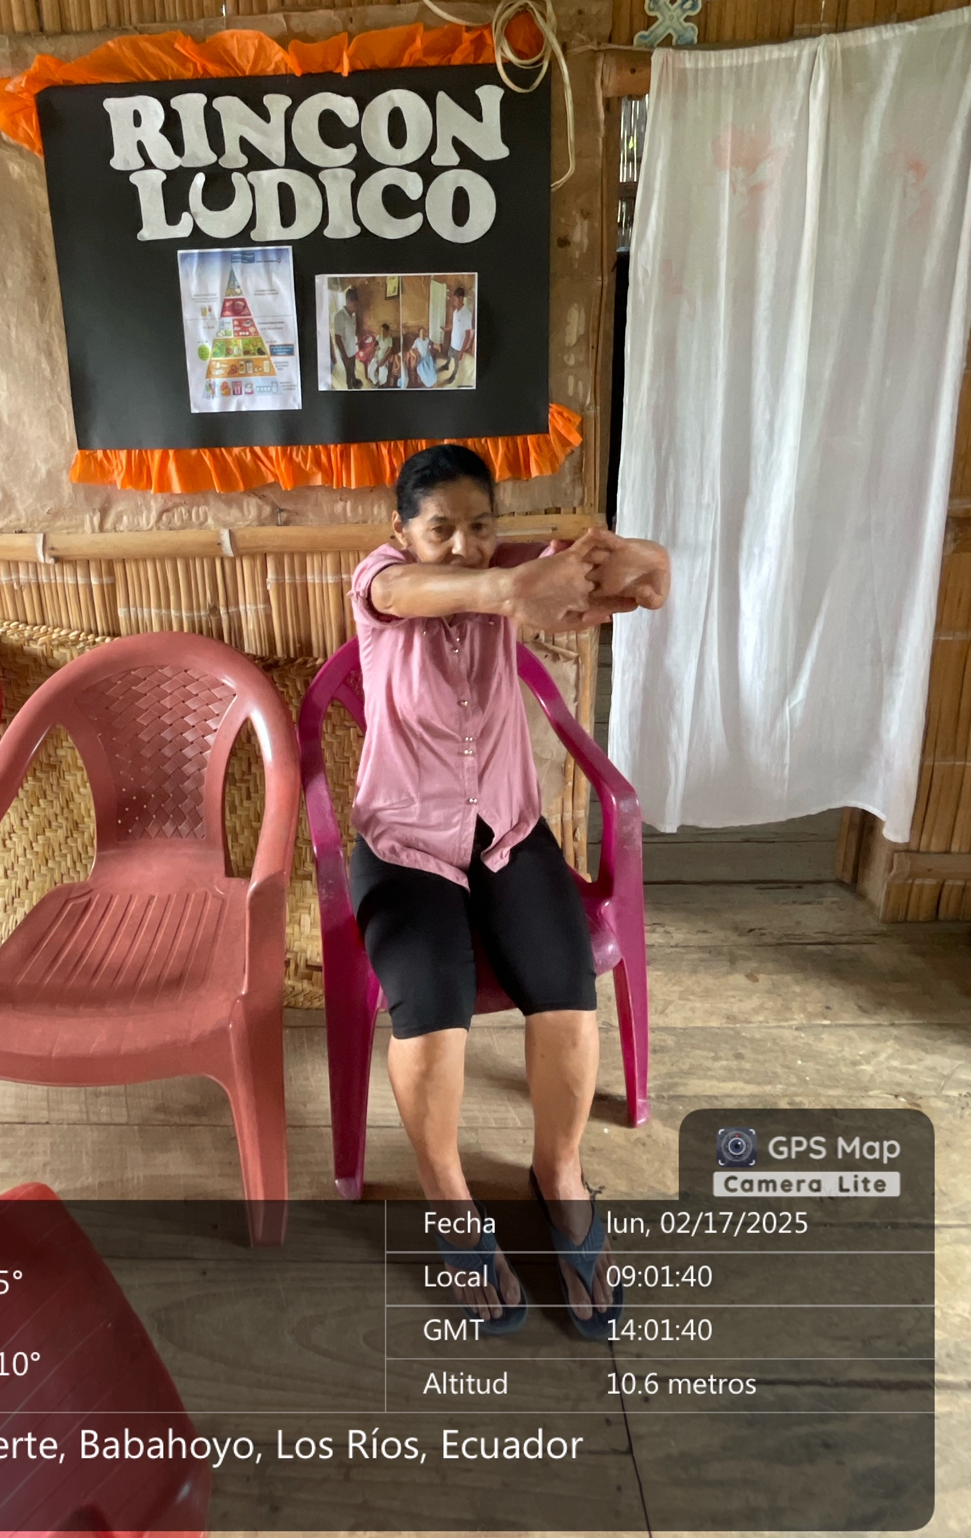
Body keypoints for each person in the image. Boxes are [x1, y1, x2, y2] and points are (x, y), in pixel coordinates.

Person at [348, 444, 669, 1337]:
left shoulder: (518, 568)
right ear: (402, 530)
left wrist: (639, 566)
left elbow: (631, 576)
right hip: (405, 845)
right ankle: (448, 1194)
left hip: (509, 836)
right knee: (432, 1020)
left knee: (567, 1000)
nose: (463, 545)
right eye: (441, 529)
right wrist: (510, 587)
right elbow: (408, 591)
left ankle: (559, 1175)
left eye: (481, 525)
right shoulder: (381, 580)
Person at [438, 285, 474, 383]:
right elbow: (453, 325)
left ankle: (453, 376)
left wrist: (462, 352)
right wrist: (446, 329)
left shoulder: (467, 314)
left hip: (459, 347)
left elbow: (468, 335)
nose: (453, 302)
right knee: (449, 355)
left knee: (457, 363)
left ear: (461, 298)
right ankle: (447, 365)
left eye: (455, 300)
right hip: (453, 343)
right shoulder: (455, 312)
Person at [331, 287, 362, 389]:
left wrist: (359, 337)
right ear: (348, 302)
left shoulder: (352, 317)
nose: (356, 308)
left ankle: (354, 382)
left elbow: (352, 333)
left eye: (357, 305)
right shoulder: (339, 316)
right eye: (354, 305)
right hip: (346, 353)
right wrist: (345, 356)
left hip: (352, 350)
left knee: (353, 369)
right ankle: (349, 388)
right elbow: (338, 339)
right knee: (348, 372)